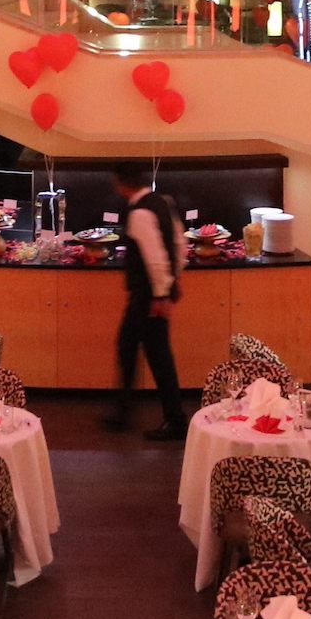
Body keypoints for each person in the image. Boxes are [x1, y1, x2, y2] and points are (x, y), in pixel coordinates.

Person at [101, 160, 187, 439]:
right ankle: (123, 412)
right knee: (128, 347)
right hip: (154, 293)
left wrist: (161, 294)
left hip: (148, 297)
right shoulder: (163, 201)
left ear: (121, 184)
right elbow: (179, 244)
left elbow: (154, 257)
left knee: (158, 357)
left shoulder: (139, 213)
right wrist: (175, 279)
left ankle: (175, 420)